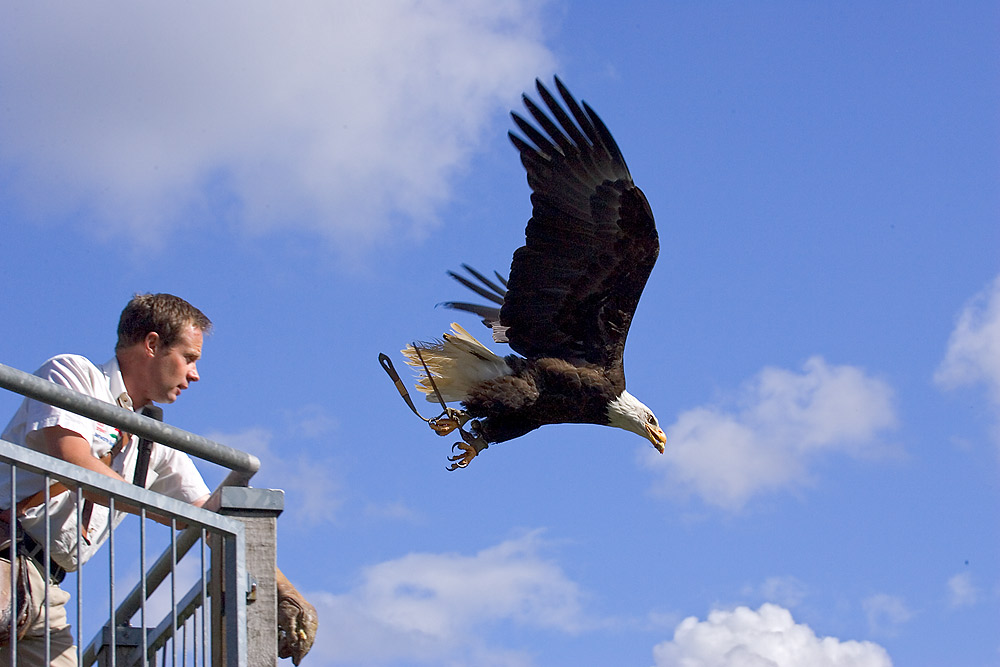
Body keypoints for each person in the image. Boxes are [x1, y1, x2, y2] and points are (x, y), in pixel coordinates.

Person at [0, 294, 317, 665]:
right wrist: (162, 511)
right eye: (190, 357)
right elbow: (74, 461)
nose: (195, 374)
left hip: (44, 587)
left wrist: (284, 590)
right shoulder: (75, 374)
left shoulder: (153, 442)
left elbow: (212, 519)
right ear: (152, 344)